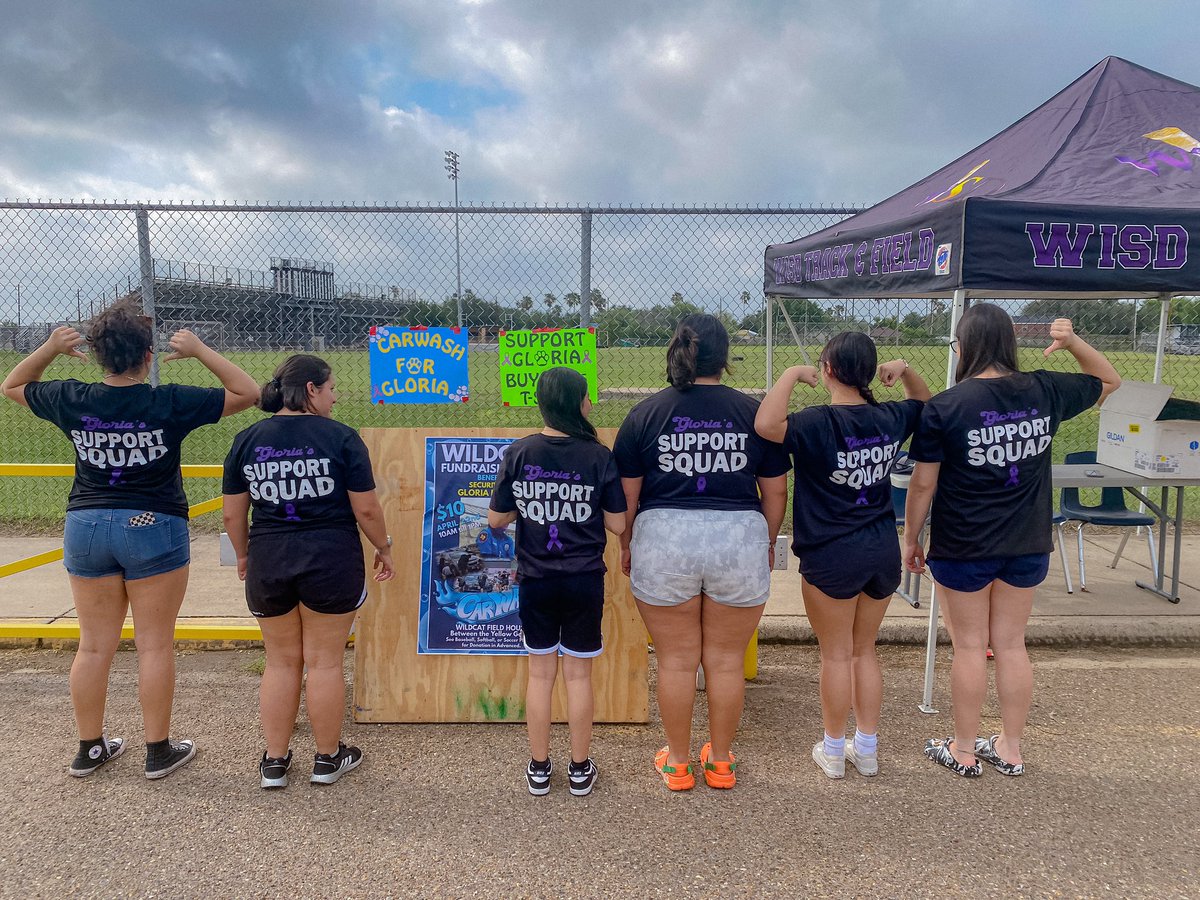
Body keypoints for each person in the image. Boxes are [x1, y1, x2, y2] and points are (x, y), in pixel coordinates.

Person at [0, 298, 259, 779]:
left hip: (87, 525)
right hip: (152, 524)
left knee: (94, 645)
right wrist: (201, 349)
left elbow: (11, 385)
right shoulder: (167, 401)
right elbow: (248, 392)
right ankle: (157, 751)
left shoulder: (73, 398)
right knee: (154, 645)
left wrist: (50, 348)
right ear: (148, 356)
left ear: (97, 355)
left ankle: (90, 747)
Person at [903, 309, 1120, 778]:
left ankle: (963, 749)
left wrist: (910, 538)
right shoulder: (1043, 388)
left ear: (964, 346)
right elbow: (1108, 379)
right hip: (1027, 542)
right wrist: (1074, 340)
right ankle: (1010, 748)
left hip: (964, 544)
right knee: (1011, 644)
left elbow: (922, 486)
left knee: (968, 647)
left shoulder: (946, 405)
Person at [614, 314, 789, 790]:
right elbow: (775, 493)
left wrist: (628, 543)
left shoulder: (645, 415)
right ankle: (722, 762)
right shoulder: (755, 414)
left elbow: (628, 497)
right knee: (727, 660)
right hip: (737, 536)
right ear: (724, 358)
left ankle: (676, 762)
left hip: (665, 538)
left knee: (675, 660)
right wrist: (765, 541)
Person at [755, 332, 931, 779]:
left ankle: (835, 749)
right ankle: (866, 748)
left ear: (828, 370)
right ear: (873, 373)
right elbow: (927, 407)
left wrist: (793, 375)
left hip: (831, 554)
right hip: (878, 550)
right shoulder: (889, 415)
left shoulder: (816, 422)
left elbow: (766, 424)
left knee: (836, 655)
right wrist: (906, 370)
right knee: (863, 651)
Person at [222, 354, 394, 789]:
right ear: (312, 390)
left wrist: (244, 555)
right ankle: (327, 758)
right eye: (332, 388)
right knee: (324, 662)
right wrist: (383, 547)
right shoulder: (341, 438)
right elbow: (367, 508)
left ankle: (275, 762)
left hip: (269, 558)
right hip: (330, 558)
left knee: (280, 662)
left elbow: (231, 516)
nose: (336, 398)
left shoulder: (247, 438)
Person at [488, 367, 626, 797]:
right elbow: (618, 524)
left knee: (540, 674)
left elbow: (495, 519)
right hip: (583, 579)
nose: (591, 403)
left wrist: (529, 508)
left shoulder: (520, 452)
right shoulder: (598, 456)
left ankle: (540, 767)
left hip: (535, 579)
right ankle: (580, 769)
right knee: (579, 677)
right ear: (576, 403)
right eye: (587, 396)